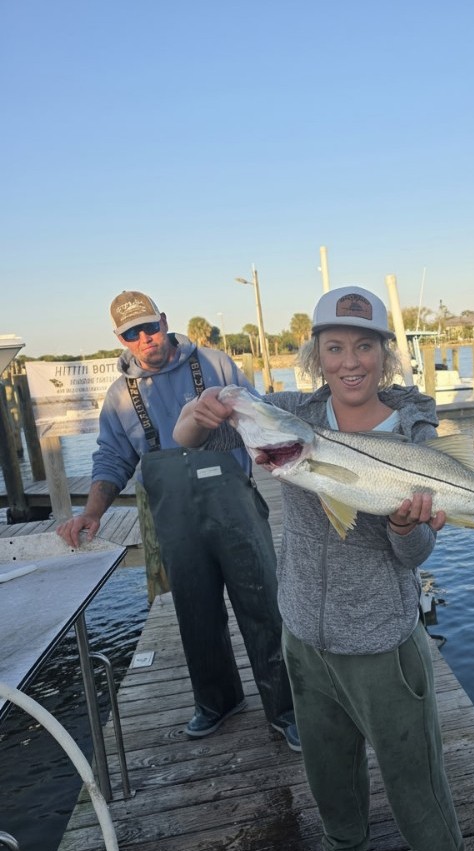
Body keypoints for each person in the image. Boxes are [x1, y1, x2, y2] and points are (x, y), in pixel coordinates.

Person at [172, 285, 467, 851]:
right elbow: (188, 437)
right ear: (316, 355)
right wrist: (198, 413)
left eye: (364, 346)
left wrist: (400, 522)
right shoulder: (294, 417)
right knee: (327, 767)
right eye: (335, 346)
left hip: (381, 642)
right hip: (303, 630)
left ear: (384, 355)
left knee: (412, 771)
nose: (350, 360)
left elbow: (414, 553)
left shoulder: (413, 431)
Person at [56, 290, 300, 751]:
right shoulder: (119, 397)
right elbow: (112, 458)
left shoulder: (215, 364)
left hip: (236, 508)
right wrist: (91, 513)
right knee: (194, 611)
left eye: (150, 326)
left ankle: (286, 710)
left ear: (164, 320)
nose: (145, 337)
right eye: (133, 333)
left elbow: (260, 416)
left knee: (264, 607)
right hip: (176, 520)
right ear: (120, 339)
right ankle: (217, 701)